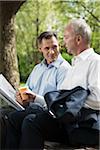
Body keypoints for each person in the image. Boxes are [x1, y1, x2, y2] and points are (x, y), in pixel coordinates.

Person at [9, 18, 100, 149]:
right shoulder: (76, 64)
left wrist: (71, 102)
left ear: (78, 39)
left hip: (82, 125)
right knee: (13, 118)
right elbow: (59, 98)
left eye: (67, 37)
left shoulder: (95, 61)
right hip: (64, 121)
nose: (64, 42)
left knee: (31, 121)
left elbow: (98, 99)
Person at [3, 31, 71, 149]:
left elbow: (59, 103)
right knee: (2, 114)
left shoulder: (64, 69)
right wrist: (21, 97)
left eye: (54, 47)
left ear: (59, 45)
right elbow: (27, 89)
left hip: (51, 115)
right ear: (40, 49)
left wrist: (35, 98)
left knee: (15, 118)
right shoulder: (37, 69)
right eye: (47, 48)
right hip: (31, 109)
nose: (51, 52)